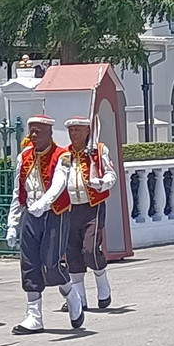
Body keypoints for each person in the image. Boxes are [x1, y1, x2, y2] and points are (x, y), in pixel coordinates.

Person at [5, 115, 83, 334]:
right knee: (29, 263)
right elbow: (17, 190)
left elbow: (59, 183)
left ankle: (71, 293)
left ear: (50, 132)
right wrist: (13, 222)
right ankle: (34, 316)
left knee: (51, 264)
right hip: (31, 215)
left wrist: (43, 203)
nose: (33, 135)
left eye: (38, 131)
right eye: (31, 131)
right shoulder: (24, 157)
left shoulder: (62, 156)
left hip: (54, 214)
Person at [56, 118, 117, 312]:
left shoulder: (98, 151)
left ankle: (102, 284)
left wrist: (101, 183)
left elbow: (111, 174)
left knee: (89, 249)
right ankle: (79, 298)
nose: (73, 134)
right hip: (70, 209)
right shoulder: (64, 154)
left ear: (87, 131)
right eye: (71, 130)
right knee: (72, 253)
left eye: (77, 130)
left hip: (93, 206)